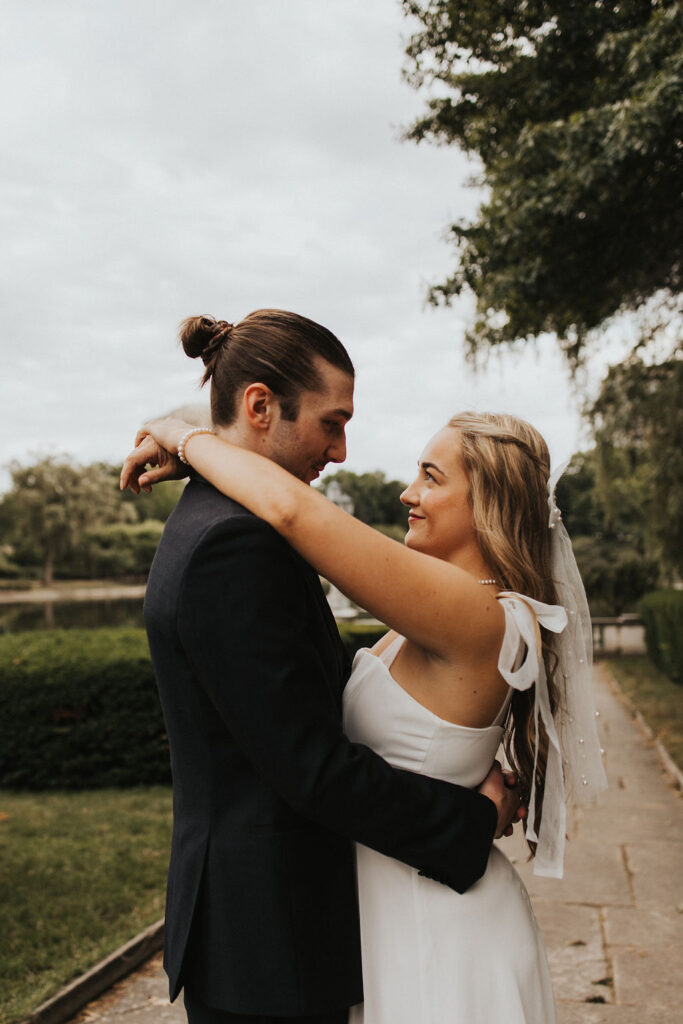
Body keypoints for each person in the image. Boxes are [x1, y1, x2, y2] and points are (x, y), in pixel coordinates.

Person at [122, 310, 525, 1024]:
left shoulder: (217, 519)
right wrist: (469, 818)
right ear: (259, 406)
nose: (340, 451)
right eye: (330, 423)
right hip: (270, 937)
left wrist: (185, 433)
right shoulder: (237, 545)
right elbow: (309, 767)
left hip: (283, 928)